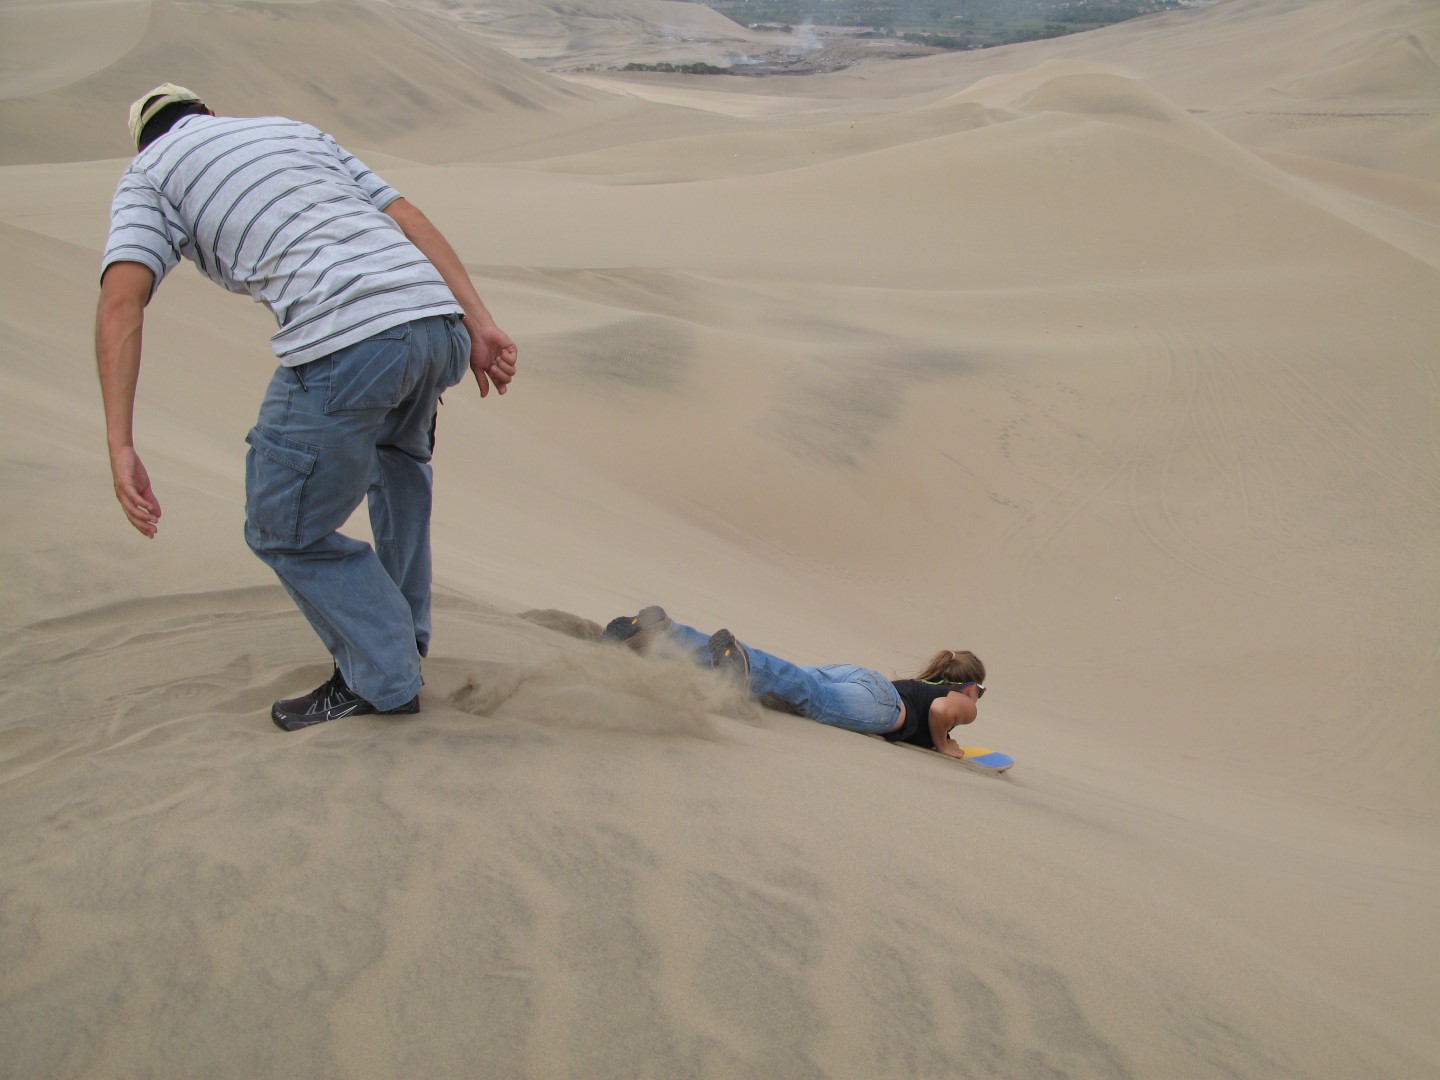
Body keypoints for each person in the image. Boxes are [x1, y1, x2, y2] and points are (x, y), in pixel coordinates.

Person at [96, 84, 518, 732]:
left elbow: (122, 301)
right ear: (208, 112)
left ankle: (384, 677)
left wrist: (120, 443)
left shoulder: (150, 171)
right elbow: (408, 217)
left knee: (280, 527)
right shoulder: (290, 132)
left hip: (351, 338)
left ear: (146, 138)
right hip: (437, 326)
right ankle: (404, 638)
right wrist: (479, 320)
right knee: (398, 466)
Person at [602, 607, 986, 759]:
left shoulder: (925, 687)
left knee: (793, 683)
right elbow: (940, 710)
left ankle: (665, 636)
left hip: (860, 678)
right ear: (969, 685)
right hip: (883, 705)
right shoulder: (959, 703)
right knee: (809, 695)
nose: (978, 698)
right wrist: (944, 746)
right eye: (980, 691)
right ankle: (744, 660)